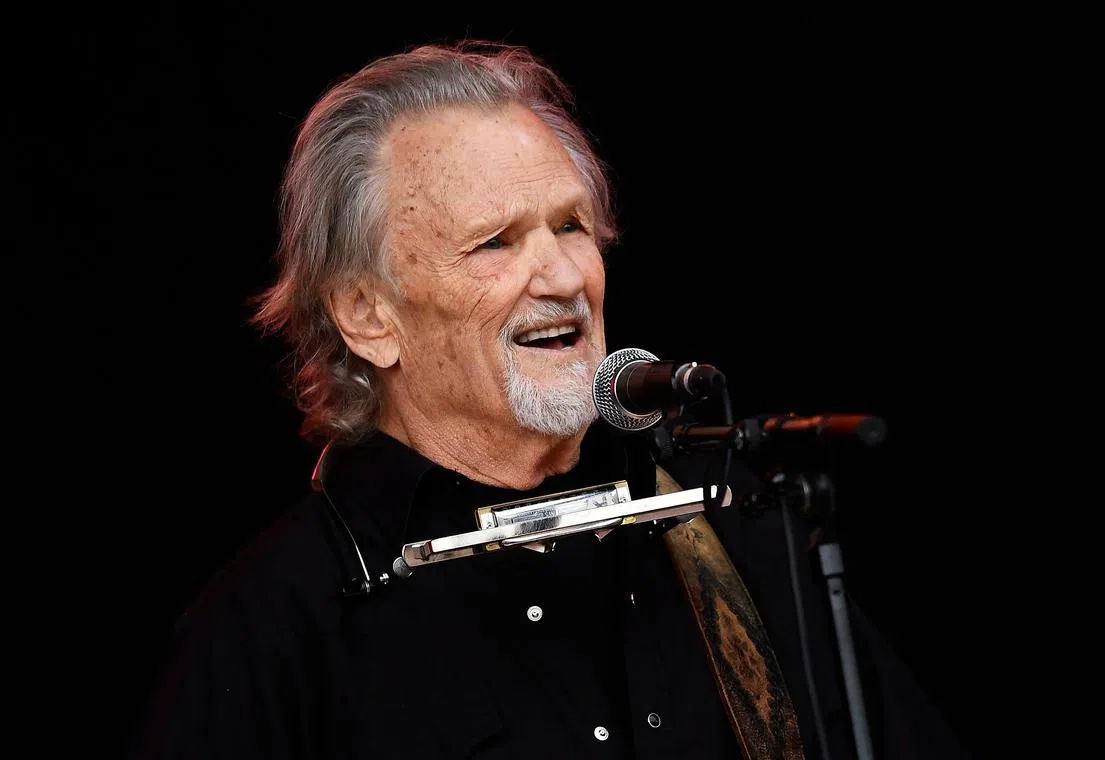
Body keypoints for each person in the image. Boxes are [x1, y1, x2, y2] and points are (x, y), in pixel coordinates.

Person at [129, 41, 968, 759]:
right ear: (366, 315)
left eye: (570, 227)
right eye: (494, 243)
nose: (565, 277)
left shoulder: (728, 522)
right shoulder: (267, 637)